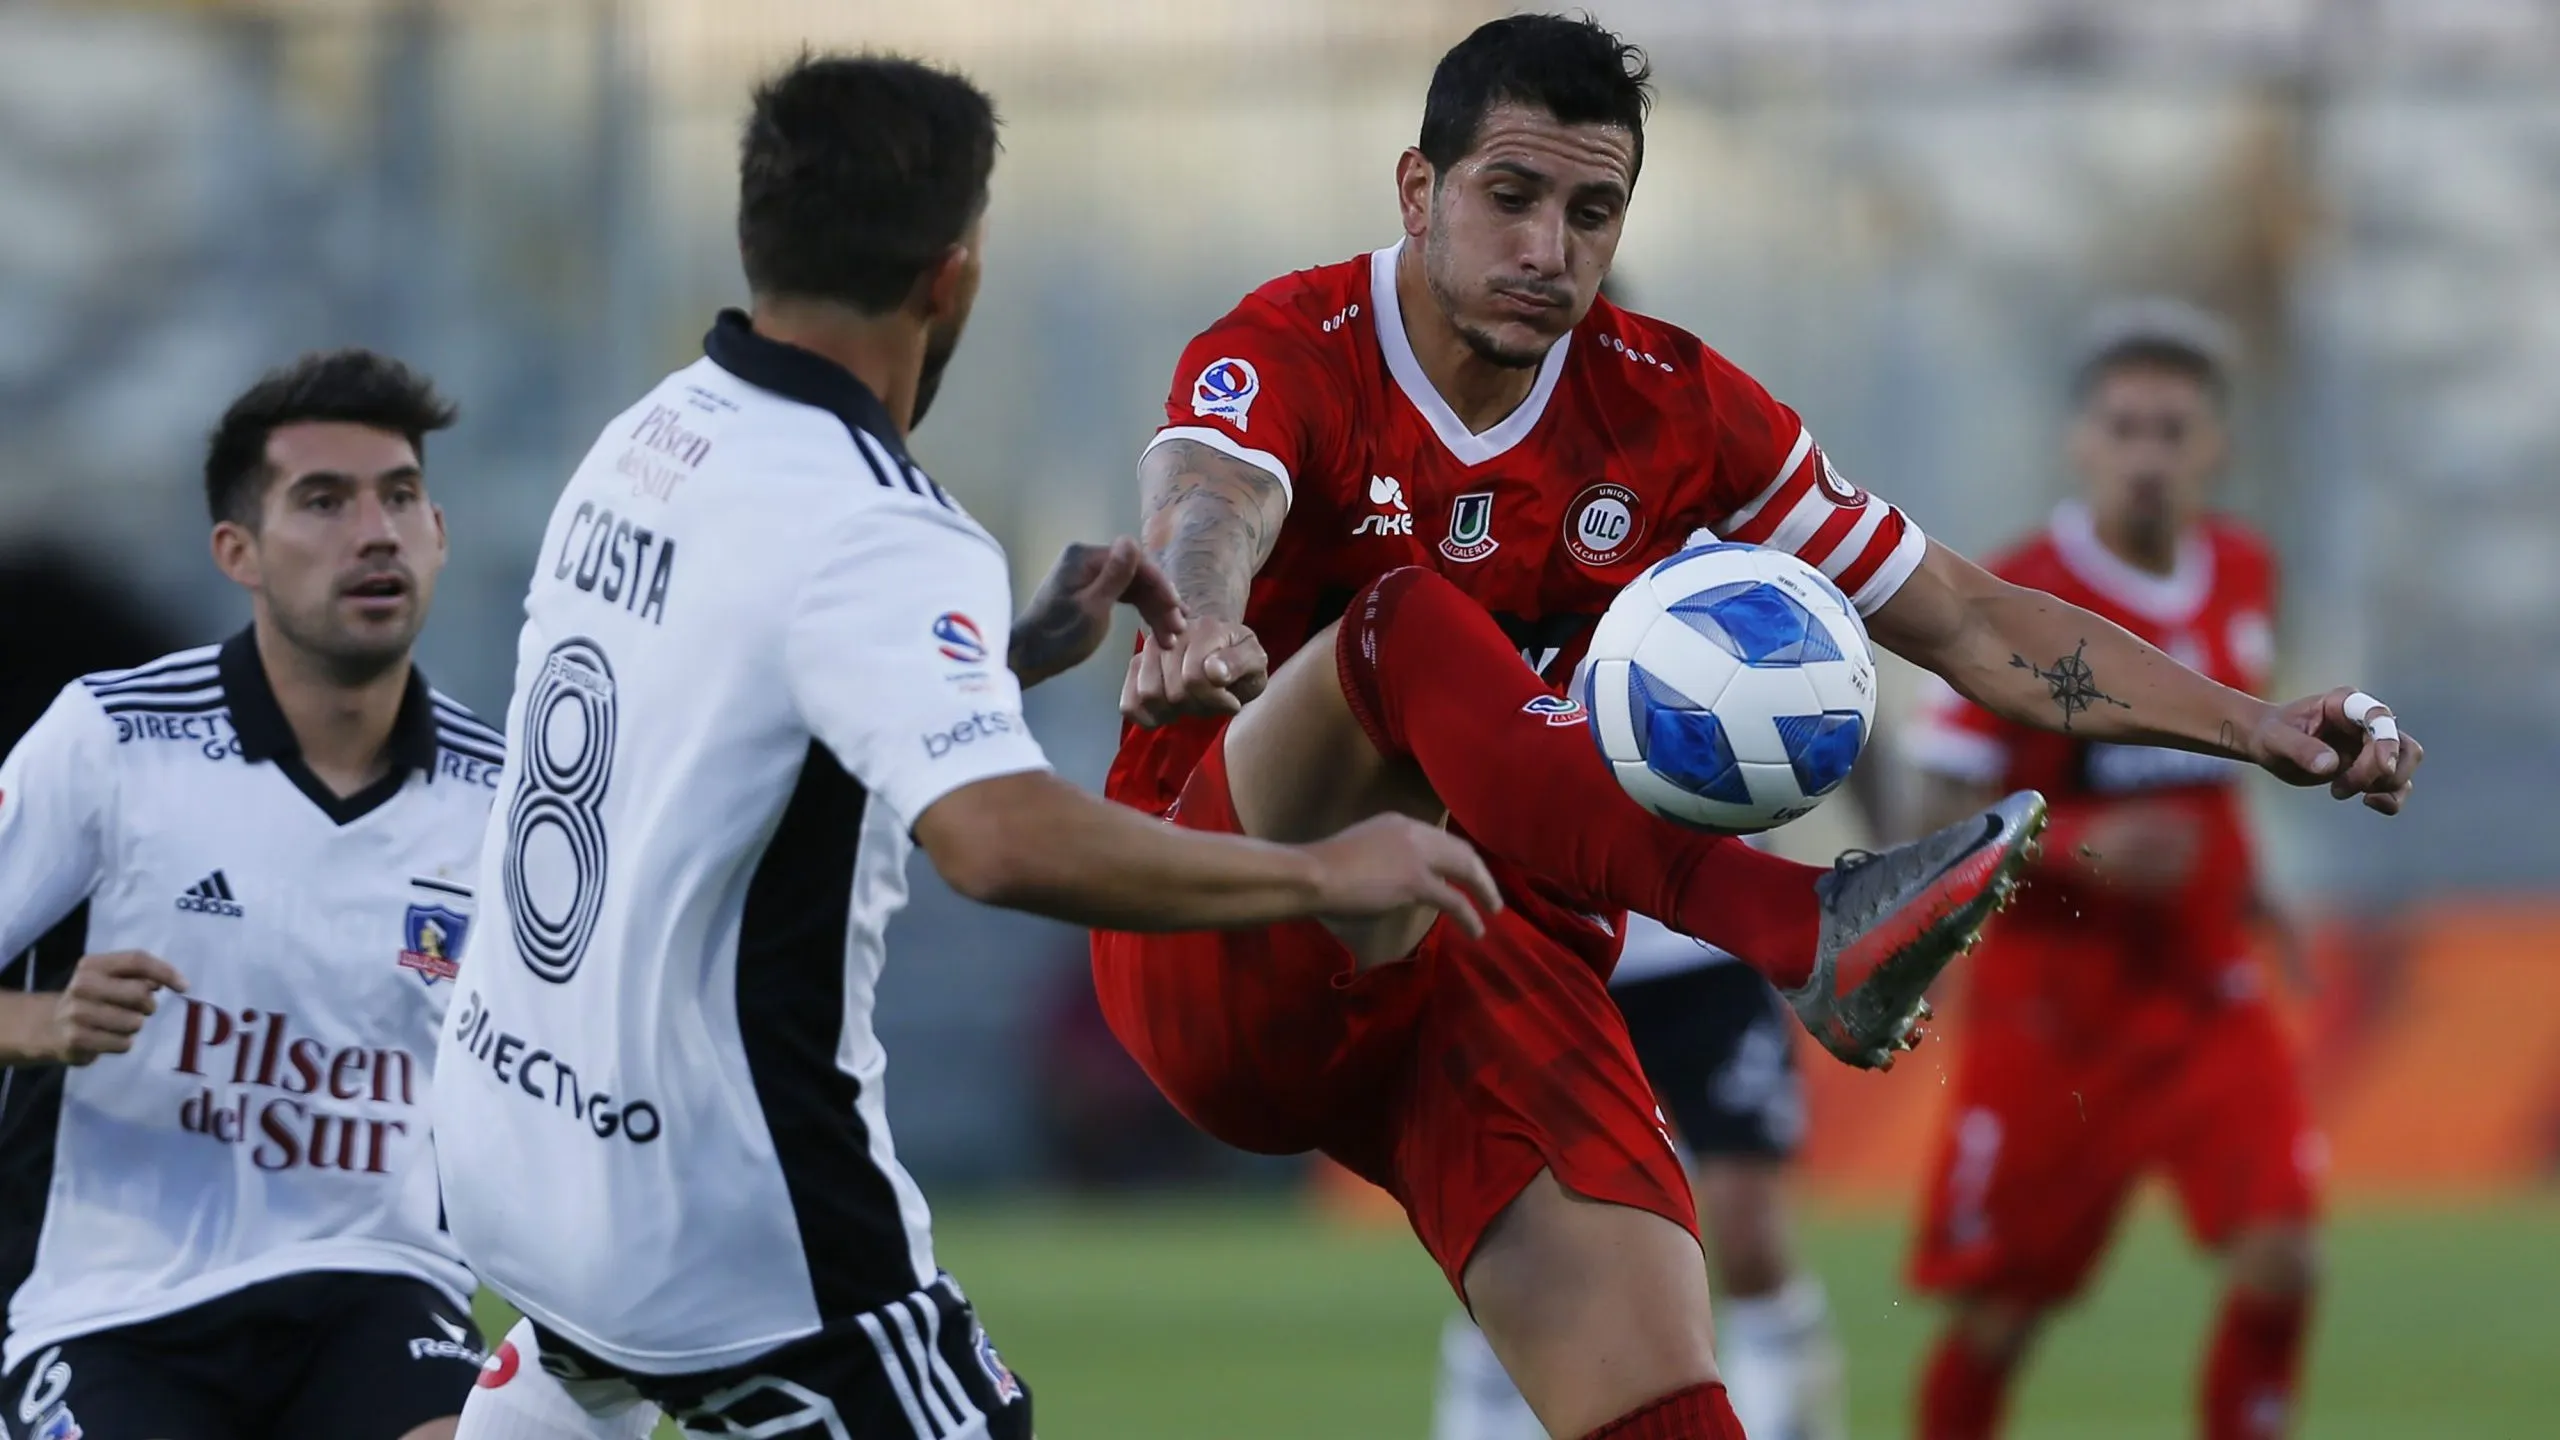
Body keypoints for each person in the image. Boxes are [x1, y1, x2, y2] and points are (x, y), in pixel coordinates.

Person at [1093, 16, 2419, 1439]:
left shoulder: (1670, 405)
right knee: (1401, 626)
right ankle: (1803, 925)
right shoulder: (1295, 340)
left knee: (1665, 1395)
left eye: (1592, 210)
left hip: (1480, 960)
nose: (1550, 248)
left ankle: (1800, 942)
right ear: (1419, 191)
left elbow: (1968, 620)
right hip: (1224, 918)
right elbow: (1210, 499)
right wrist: (1205, 616)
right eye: (1511, 198)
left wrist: (2257, 724)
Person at [436, 53, 1501, 1440]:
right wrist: (1323, 872)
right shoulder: (883, 523)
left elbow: (731, 708)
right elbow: (994, 843)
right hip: (722, 1209)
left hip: (514, 1137)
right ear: (955, 280)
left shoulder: (649, 437)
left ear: (759, 240)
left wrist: (993, 666)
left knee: (589, 1374)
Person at [0, 351, 500, 1440]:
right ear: (241, 553)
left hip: (380, 1285)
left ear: (440, 535)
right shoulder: (112, 740)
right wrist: (39, 1021)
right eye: (323, 501)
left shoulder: (502, 799)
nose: (376, 532)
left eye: (401, 497)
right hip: (115, 1309)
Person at [1902, 301, 2325, 1439]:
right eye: (2124, 428)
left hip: (2203, 1000)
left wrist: (2256, 884)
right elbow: (1934, 818)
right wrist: (2082, 846)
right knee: (2000, 1313)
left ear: (2214, 449)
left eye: (2172, 431)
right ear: (2079, 442)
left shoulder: (2241, 572)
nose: (2147, 455)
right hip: (2055, 1018)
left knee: (2283, 1254)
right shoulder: (2016, 593)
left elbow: (2220, 763)